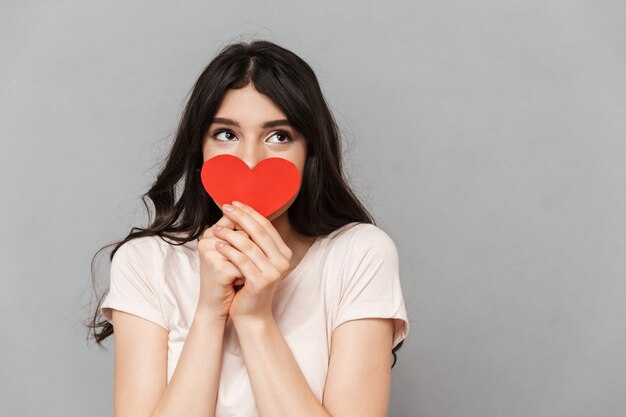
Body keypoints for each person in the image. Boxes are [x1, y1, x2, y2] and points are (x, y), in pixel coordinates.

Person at [88, 39, 409, 417]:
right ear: (200, 148)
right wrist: (210, 311)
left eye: (279, 136)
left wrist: (256, 319)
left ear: (310, 153)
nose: (251, 160)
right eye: (226, 134)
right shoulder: (146, 262)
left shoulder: (360, 254)